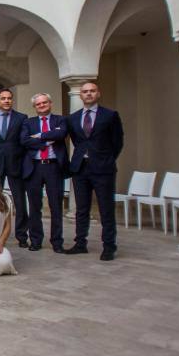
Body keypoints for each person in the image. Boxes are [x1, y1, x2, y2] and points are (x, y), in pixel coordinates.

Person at [66, 82, 124, 261]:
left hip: (103, 168)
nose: (88, 94)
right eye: (85, 92)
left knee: (106, 209)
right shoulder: (73, 118)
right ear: (81, 96)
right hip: (80, 168)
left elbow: (117, 142)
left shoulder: (110, 115)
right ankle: (80, 243)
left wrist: (104, 158)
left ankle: (109, 246)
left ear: (98, 94)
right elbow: (77, 141)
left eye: (92, 91)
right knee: (81, 208)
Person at [20, 93, 69, 253]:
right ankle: (35, 240)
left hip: (53, 167)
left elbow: (61, 134)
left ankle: (57, 242)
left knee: (56, 206)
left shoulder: (60, 120)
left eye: (44, 102)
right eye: (38, 104)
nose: (42, 105)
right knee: (35, 207)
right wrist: (46, 142)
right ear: (35, 107)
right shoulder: (28, 122)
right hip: (34, 167)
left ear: (50, 103)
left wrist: (40, 136)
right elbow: (24, 140)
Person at [0, 88, 28, 248]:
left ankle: (22, 235)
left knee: (19, 201)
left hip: (15, 163)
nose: (6, 101)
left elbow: (23, 142)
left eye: (9, 98)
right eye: (3, 98)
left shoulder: (21, 118)